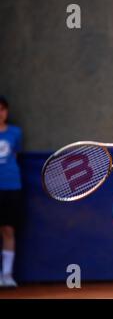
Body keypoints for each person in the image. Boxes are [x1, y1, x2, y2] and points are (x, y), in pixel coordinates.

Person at [0, 95, 23, 288]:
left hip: (11, 187)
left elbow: (15, 156)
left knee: (8, 230)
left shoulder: (15, 133)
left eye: (2, 109)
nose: (0, 113)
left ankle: (6, 275)